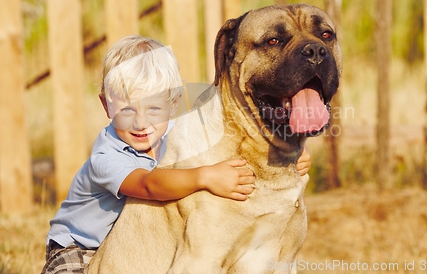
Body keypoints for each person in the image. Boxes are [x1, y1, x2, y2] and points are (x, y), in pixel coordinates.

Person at [41, 36, 311, 274]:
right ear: (106, 105)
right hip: (80, 247)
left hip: (132, 244)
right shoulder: (107, 155)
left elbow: (234, 140)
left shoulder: (176, 133)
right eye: (127, 111)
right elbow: (148, 185)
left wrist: (288, 157)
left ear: (172, 103)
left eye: (154, 109)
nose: (141, 123)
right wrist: (205, 177)